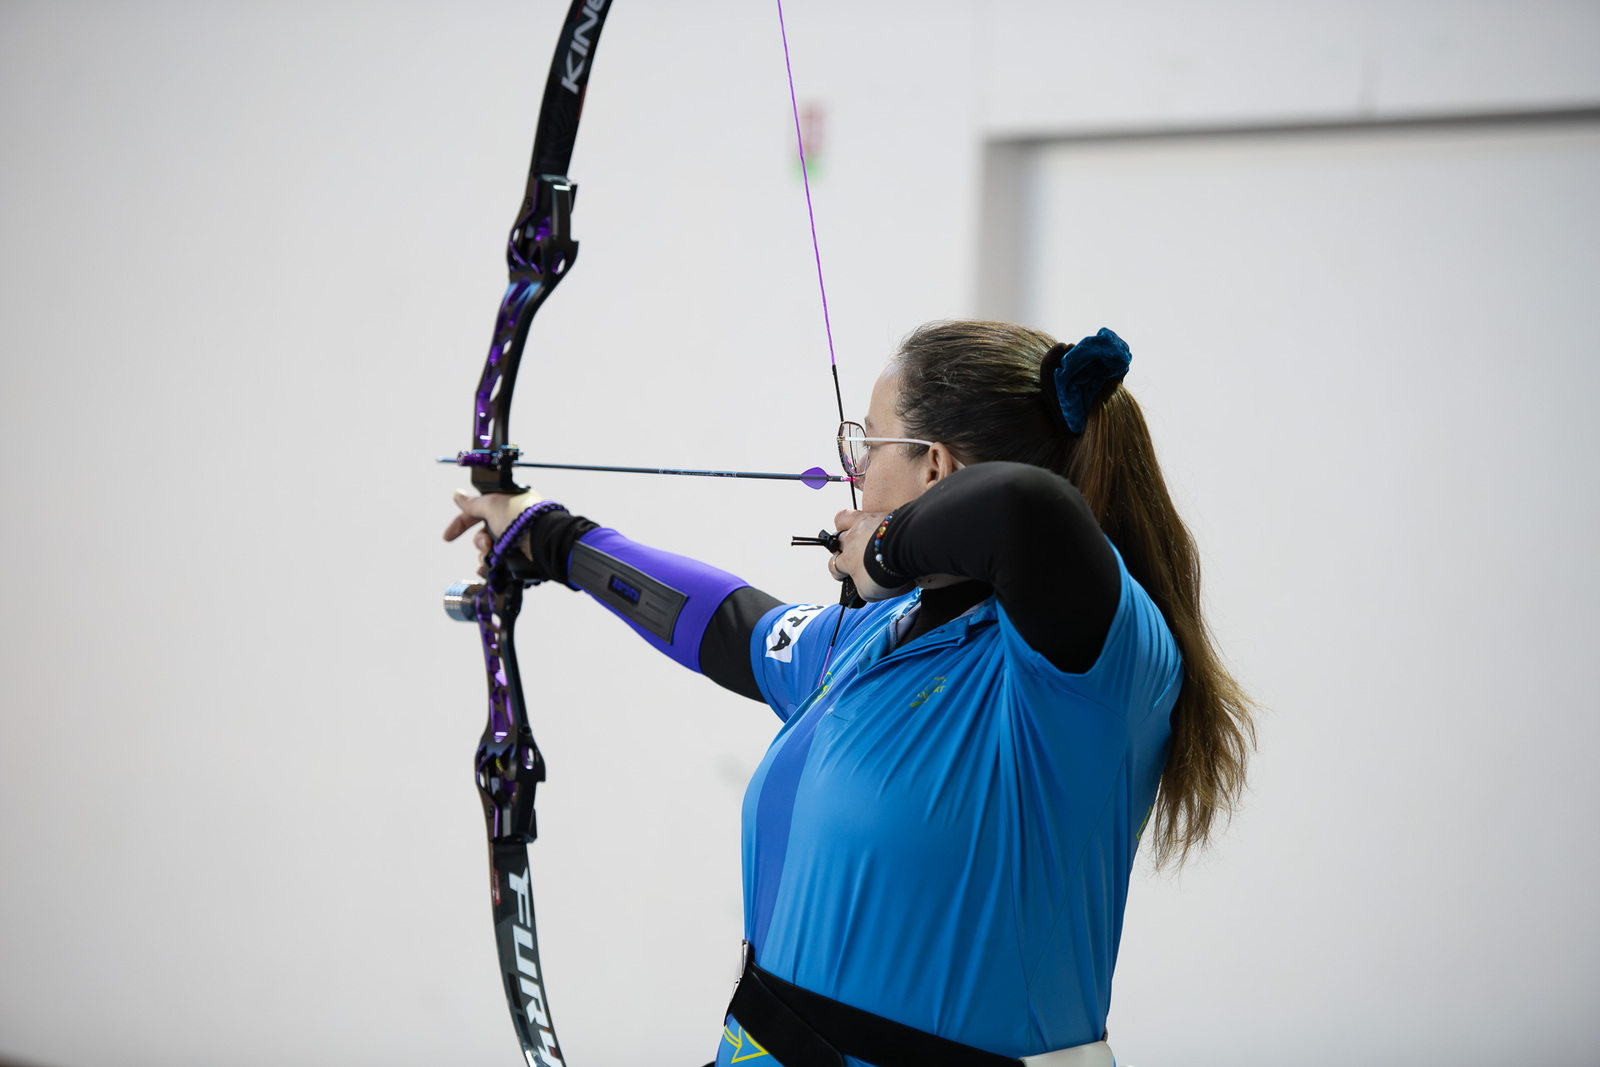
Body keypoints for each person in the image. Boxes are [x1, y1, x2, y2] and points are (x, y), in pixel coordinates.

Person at [444, 320, 1255, 1067]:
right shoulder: (872, 636)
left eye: (869, 442)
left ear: (935, 465)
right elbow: (725, 623)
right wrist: (545, 534)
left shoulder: (1094, 667)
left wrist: (889, 548)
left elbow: (1026, 510)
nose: (853, 470)